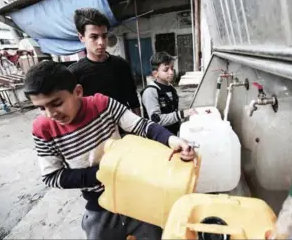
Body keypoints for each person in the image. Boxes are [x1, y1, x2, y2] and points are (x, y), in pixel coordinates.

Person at [24, 61, 196, 240]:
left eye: (57, 103)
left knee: (155, 233)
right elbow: (51, 176)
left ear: (77, 92)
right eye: (41, 108)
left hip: (137, 192)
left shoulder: (102, 104)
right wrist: (106, 173)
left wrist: (172, 139)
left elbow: (140, 125)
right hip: (98, 204)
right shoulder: (43, 129)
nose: (51, 114)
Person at [68, 8, 141, 116]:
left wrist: (140, 129)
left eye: (104, 36)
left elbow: (133, 99)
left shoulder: (121, 65)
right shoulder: (74, 73)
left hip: (123, 127)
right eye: (94, 37)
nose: (101, 42)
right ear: (81, 37)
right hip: (95, 130)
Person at [141, 52, 197, 135]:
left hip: (171, 135)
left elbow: (173, 111)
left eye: (172, 68)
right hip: (157, 138)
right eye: (166, 70)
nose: (171, 72)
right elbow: (157, 120)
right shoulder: (150, 92)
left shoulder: (171, 88)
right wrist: (182, 114)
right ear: (155, 74)